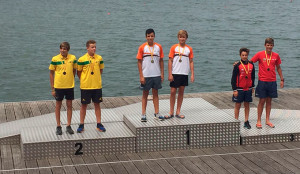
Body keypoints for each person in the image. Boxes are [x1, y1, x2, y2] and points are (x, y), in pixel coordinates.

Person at [251, 38, 284, 129]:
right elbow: (250, 62)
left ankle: (267, 120)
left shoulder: (276, 55)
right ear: (265, 45)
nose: (269, 47)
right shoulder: (260, 54)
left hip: (272, 81)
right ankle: (258, 120)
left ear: (273, 46)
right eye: (268, 45)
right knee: (261, 101)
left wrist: (282, 79)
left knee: (269, 101)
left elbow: (278, 67)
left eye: (271, 45)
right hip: (262, 81)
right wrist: (239, 64)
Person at [77, 40, 106, 133]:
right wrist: (85, 79)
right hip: (86, 86)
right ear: (87, 48)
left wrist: (95, 78)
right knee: (84, 105)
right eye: (92, 47)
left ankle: (99, 124)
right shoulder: (81, 59)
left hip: (97, 86)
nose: (94, 48)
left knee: (97, 104)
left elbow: (101, 70)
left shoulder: (99, 58)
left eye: (95, 47)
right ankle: (81, 124)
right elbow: (79, 72)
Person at [165, 30, 194, 119]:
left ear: (186, 38)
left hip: (184, 73)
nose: (182, 38)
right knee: (173, 92)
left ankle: (178, 111)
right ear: (178, 37)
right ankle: (171, 112)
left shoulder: (189, 49)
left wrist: (192, 74)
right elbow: (170, 61)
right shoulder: (174, 48)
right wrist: (170, 74)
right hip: (175, 73)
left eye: (184, 37)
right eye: (180, 37)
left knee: (181, 92)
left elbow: (191, 61)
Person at [137, 29, 165, 122]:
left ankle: (157, 113)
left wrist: (162, 73)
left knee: (155, 94)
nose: (150, 38)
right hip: (146, 75)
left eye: (152, 36)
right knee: (145, 94)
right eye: (148, 36)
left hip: (156, 74)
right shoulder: (142, 47)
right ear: (146, 37)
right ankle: (143, 114)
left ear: (154, 36)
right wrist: (141, 76)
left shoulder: (158, 47)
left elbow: (161, 60)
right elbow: (139, 62)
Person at [49, 42, 76, 135]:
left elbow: (74, 70)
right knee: (58, 106)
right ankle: (58, 126)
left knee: (69, 105)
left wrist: (70, 80)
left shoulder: (73, 58)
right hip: (59, 86)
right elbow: (51, 73)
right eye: (61, 48)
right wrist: (52, 88)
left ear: (68, 50)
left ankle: (68, 125)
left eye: (64, 49)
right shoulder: (55, 59)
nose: (62, 50)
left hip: (69, 86)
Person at [231, 48, 255, 129]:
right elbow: (233, 78)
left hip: (248, 88)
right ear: (240, 55)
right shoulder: (237, 65)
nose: (244, 56)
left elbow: (253, 76)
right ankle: (236, 121)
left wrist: (252, 87)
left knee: (247, 105)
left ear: (248, 55)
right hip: (239, 89)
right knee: (238, 105)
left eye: (246, 55)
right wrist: (234, 89)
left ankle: (246, 121)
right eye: (243, 55)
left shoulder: (251, 65)